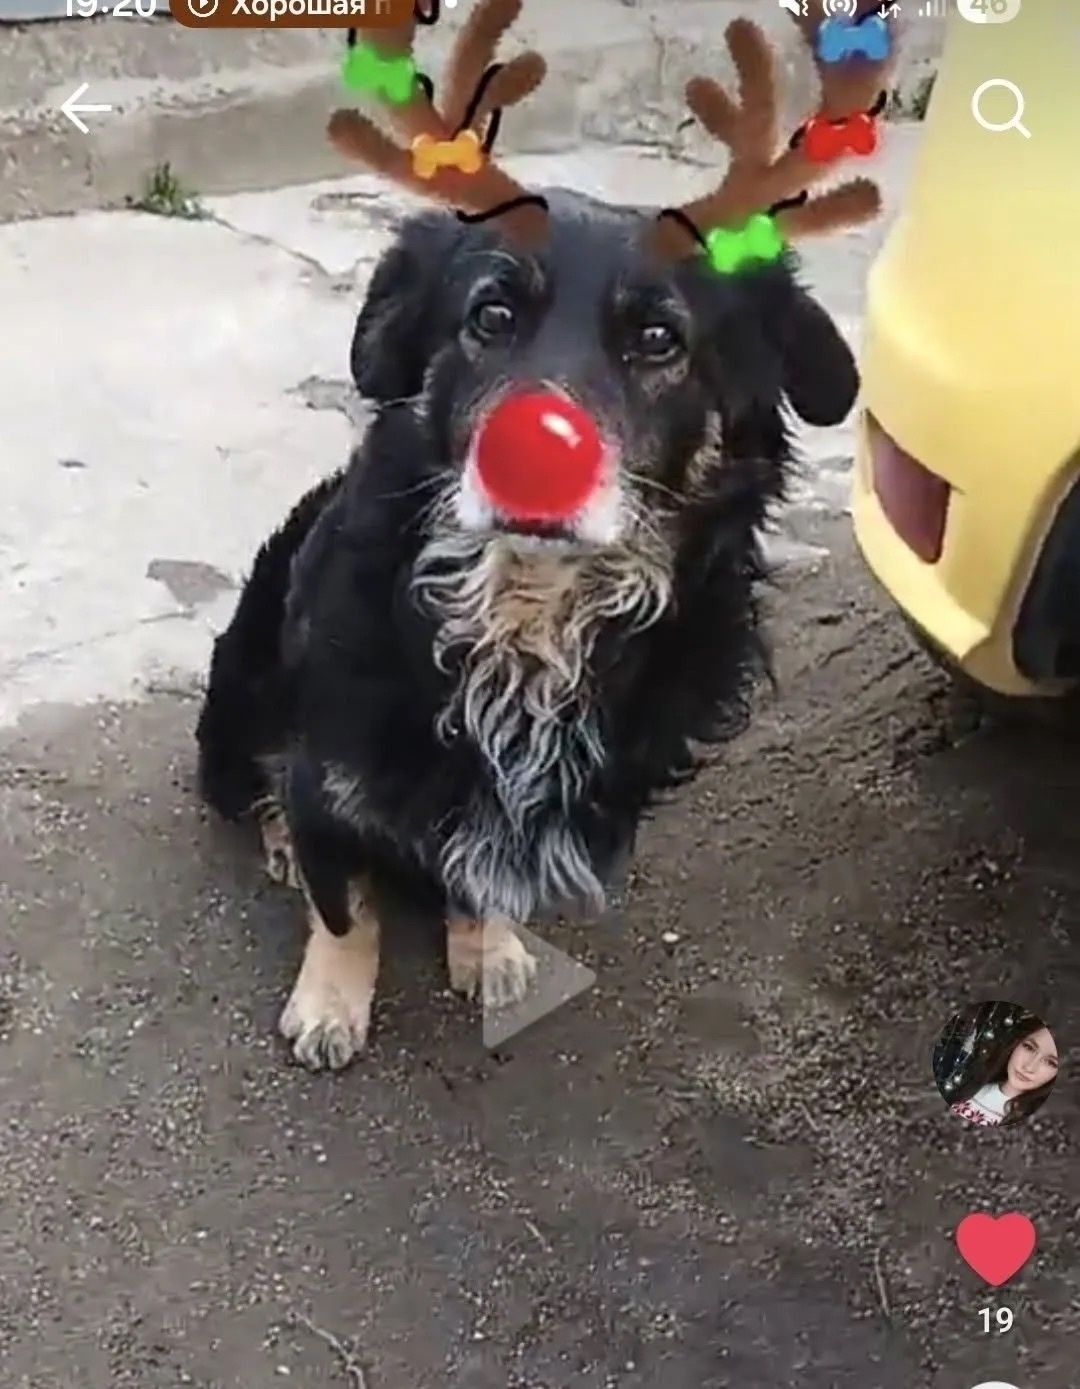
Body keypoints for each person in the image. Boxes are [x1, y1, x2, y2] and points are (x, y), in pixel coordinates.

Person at [949, 1022, 1059, 1128]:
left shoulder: (1040, 1121)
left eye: (1051, 1063)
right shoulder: (972, 1085)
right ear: (1015, 1044)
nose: (1029, 1067)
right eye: (1029, 1047)